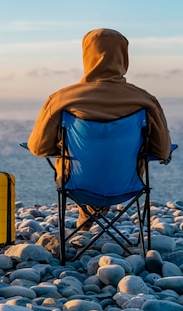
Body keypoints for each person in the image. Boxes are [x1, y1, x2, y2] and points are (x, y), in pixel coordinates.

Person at [27, 28, 172, 230]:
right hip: (127, 186)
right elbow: (162, 151)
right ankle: (96, 212)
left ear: (86, 56)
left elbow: (38, 148)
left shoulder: (61, 99)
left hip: (77, 185)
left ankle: (87, 211)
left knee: (72, 157)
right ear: (124, 58)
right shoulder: (145, 100)